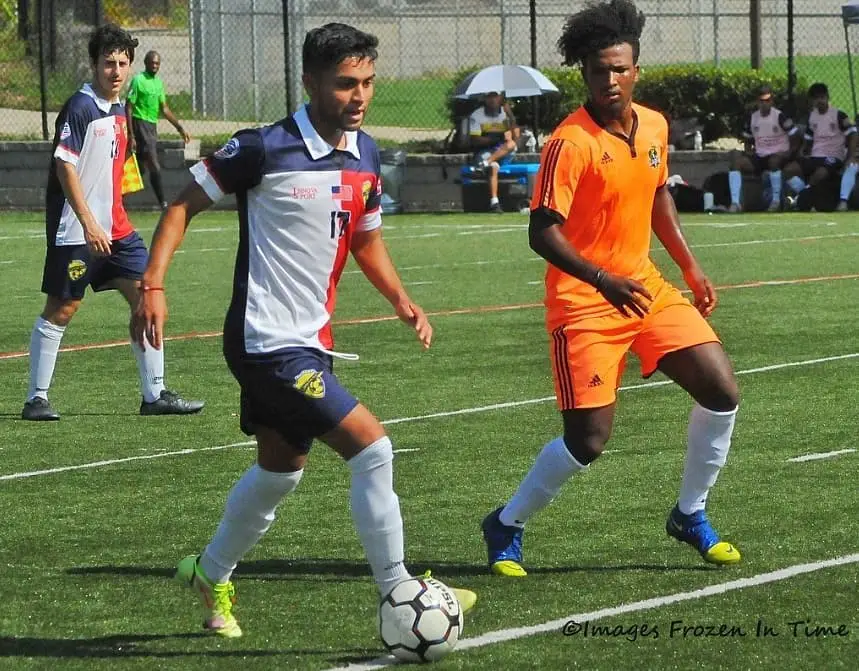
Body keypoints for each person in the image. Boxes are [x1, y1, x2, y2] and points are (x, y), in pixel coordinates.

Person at [132, 22, 476, 638]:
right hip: (266, 344)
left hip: (310, 342)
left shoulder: (364, 152)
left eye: (368, 82)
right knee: (372, 448)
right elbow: (182, 204)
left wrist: (402, 299)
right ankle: (401, 593)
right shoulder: (264, 148)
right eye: (346, 84)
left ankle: (211, 574)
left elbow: (365, 236)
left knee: (279, 472)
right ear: (311, 82)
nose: (360, 96)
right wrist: (153, 286)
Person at [480, 0, 741, 578]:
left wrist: (690, 266)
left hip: (644, 288)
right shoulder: (569, 143)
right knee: (588, 442)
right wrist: (602, 279)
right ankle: (507, 522)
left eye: (620, 69)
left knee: (721, 391)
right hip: (585, 302)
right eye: (600, 70)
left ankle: (690, 513)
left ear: (636, 70)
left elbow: (657, 195)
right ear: (586, 74)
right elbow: (541, 232)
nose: (611, 80)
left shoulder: (653, 125)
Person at [21, 24, 204, 422]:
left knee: (147, 299)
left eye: (122, 63)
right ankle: (36, 398)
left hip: (116, 229)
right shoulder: (81, 107)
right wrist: (88, 222)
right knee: (63, 307)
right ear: (93, 64)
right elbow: (64, 165)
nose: (116, 71)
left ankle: (154, 394)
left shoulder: (120, 108)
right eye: (108, 63)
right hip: (78, 228)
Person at [126, 50, 191, 210]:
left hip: (151, 127)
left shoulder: (158, 83)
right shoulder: (138, 80)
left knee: (140, 167)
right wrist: (130, 134)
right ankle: (163, 203)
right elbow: (128, 106)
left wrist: (179, 127)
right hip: (139, 123)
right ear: (146, 63)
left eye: (157, 64)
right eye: (152, 63)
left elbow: (164, 108)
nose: (155, 66)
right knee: (154, 165)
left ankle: (120, 199)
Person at [784, 82, 858, 212]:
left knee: (821, 173)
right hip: (815, 155)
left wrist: (850, 157)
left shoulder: (839, 115)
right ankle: (804, 193)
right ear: (812, 101)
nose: (820, 101)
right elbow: (808, 140)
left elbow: (853, 134)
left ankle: (800, 198)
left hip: (833, 156)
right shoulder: (812, 117)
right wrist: (802, 151)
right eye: (816, 98)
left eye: (822, 97)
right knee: (789, 170)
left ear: (828, 97)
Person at [727, 85, 801, 212]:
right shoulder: (752, 118)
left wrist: (788, 153)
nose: (764, 104)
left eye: (767, 100)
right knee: (736, 163)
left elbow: (795, 136)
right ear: (757, 102)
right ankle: (735, 203)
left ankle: (776, 201)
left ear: (772, 101)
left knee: (773, 161)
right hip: (760, 155)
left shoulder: (780, 116)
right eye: (761, 101)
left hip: (779, 154)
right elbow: (748, 139)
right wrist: (748, 151)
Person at [469, 91, 520, 213]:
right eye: (489, 97)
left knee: (511, 144)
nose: (492, 100)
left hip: (503, 152)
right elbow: (475, 140)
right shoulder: (477, 115)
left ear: (500, 98)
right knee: (493, 167)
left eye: (495, 96)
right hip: (485, 151)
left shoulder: (505, 114)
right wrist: (494, 139)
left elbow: (515, 137)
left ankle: (485, 163)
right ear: (485, 99)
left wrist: (510, 115)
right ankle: (494, 202)